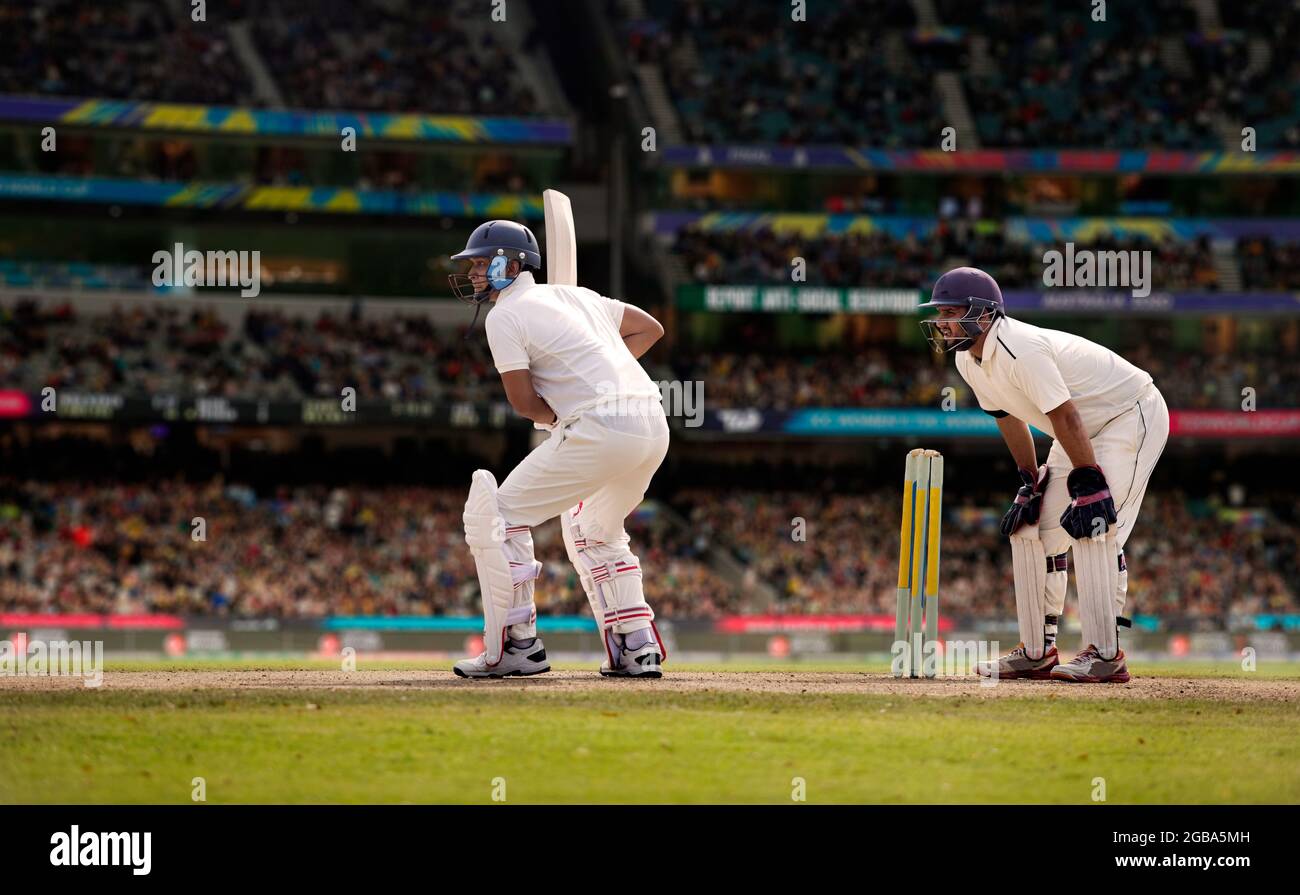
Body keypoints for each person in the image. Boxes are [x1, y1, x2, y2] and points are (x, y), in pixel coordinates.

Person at [919, 267, 1168, 683]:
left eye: (950, 311)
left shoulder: (1020, 347)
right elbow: (1007, 418)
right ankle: (1037, 651)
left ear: (983, 314)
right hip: (1075, 430)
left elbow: (1065, 414)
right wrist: (1029, 478)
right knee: (1030, 528)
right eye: (939, 312)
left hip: (1128, 415)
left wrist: (1088, 478)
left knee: (1094, 522)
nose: (942, 322)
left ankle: (1106, 654)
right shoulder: (968, 359)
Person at [447, 219, 671, 678]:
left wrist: (562, 412)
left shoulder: (504, 315)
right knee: (593, 529)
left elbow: (522, 401)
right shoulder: (580, 296)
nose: (472, 273)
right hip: (653, 420)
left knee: (498, 518)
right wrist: (602, 376)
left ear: (512, 264)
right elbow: (650, 329)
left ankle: (518, 646)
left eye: (480, 263)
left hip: (602, 428)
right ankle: (636, 646)